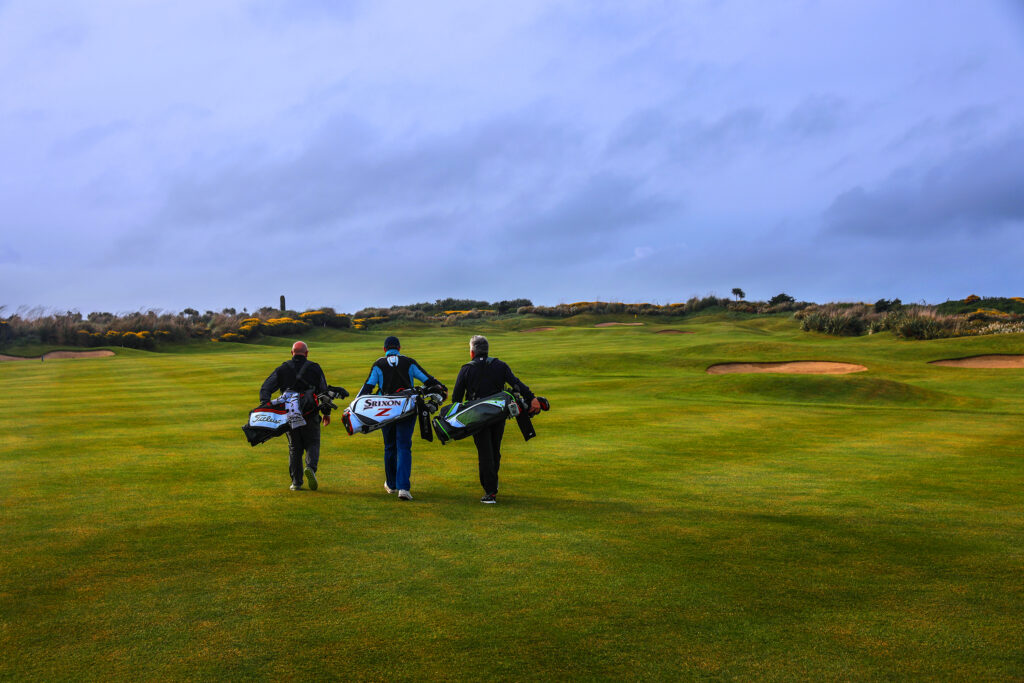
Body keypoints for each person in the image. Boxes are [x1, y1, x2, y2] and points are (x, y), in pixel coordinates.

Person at [451, 335, 541, 504]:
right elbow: (516, 384)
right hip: (499, 415)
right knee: (494, 449)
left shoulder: (466, 369)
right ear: (487, 350)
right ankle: (492, 485)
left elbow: (456, 398)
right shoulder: (500, 365)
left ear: (472, 352)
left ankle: (490, 491)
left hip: (477, 417)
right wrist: (532, 397)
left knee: (485, 452)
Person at [357, 335, 444, 501]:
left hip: (385, 410)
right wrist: (442, 388)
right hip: (407, 409)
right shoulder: (409, 362)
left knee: (389, 446)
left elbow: (367, 387)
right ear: (399, 348)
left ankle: (391, 484)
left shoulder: (379, 364)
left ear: (384, 349)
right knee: (404, 446)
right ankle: (404, 488)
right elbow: (428, 380)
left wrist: (355, 406)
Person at [260, 340, 331, 491]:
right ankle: (310, 467)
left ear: (291, 353)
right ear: (306, 353)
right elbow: (323, 391)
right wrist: (326, 413)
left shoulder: (282, 368)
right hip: (310, 413)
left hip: (290, 414)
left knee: (294, 447)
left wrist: (265, 405)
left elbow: (266, 388)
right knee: (312, 442)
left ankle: (296, 483)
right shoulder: (315, 368)